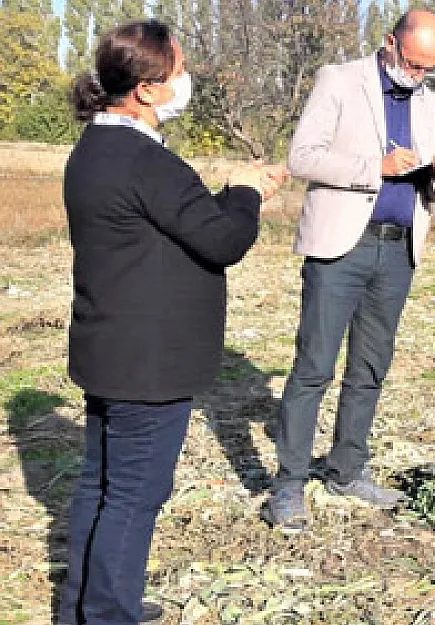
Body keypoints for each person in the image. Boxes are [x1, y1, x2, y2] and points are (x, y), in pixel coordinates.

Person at [59, 19, 288, 625]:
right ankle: (109, 613)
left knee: (101, 486)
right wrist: (243, 193)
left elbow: (171, 223)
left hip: (110, 350)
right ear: (146, 89)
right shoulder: (142, 159)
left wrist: (233, 193)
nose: (186, 80)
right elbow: (222, 241)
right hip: (148, 365)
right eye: (179, 71)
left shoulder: (95, 150)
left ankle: (89, 603)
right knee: (134, 495)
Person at [262, 9, 435, 533]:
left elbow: (430, 187)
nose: (419, 76)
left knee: (371, 369)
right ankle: (287, 486)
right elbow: (302, 156)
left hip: (397, 250)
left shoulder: (432, 104)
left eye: (430, 69)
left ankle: (346, 472)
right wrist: (372, 168)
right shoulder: (339, 80)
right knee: (314, 367)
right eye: (414, 63)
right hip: (340, 248)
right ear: (389, 43)